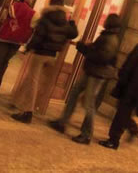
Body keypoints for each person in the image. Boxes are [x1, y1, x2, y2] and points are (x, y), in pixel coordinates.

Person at [49, 13, 121, 144]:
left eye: (106, 20)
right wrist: (88, 47)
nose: (104, 21)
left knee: (89, 104)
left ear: (110, 23)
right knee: (74, 93)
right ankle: (62, 122)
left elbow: (102, 57)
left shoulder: (111, 39)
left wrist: (85, 48)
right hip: (92, 71)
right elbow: (98, 51)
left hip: (97, 74)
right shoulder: (107, 36)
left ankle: (86, 135)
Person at [11, 0, 78, 123]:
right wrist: (72, 23)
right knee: (33, 80)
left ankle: (27, 112)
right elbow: (73, 34)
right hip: (52, 56)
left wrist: (28, 48)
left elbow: (38, 36)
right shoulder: (64, 21)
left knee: (33, 82)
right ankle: (17, 101)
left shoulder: (45, 18)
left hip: (40, 54)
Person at [0, 0, 35, 97]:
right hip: (18, 40)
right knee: (5, 62)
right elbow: (32, 27)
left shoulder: (13, 6)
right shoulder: (32, 12)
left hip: (6, 36)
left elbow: (2, 18)